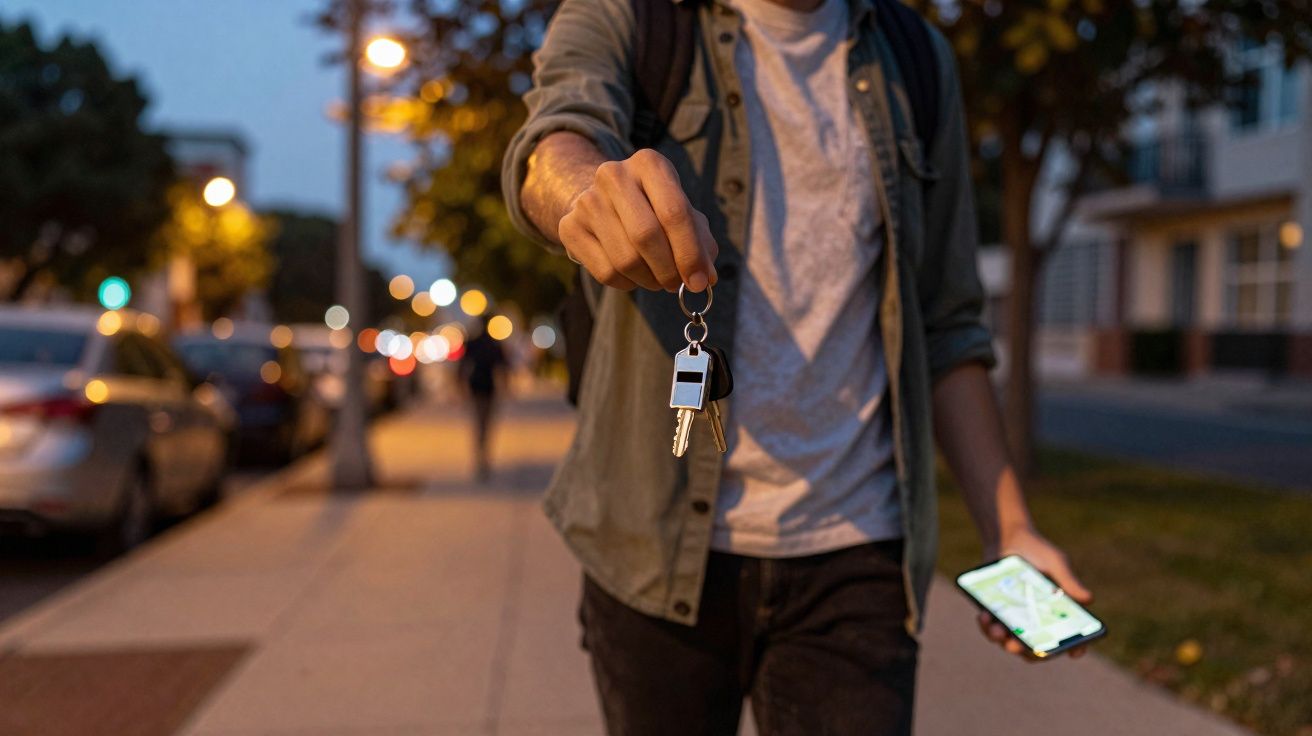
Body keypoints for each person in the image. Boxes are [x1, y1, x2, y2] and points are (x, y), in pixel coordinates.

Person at [501, 0, 1094, 733]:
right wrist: (586, 191)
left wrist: (1010, 528)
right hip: (650, 549)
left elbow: (947, 325)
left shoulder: (911, 56)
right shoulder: (632, 15)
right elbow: (554, 142)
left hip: (858, 558)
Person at [457, 316, 508, 482]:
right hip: (486, 388)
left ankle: (481, 458)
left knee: (480, 424)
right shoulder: (492, 344)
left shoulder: (475, 343)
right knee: (485, 424)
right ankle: (482, 458)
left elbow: (462, 367)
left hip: (478, 388)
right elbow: (503, 368)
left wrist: (460, 387)